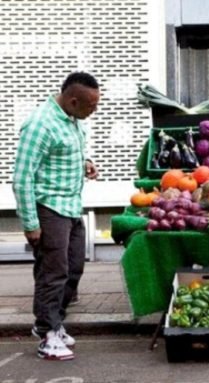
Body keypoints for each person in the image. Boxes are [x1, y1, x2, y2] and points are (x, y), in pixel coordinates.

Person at [12, 72, 100, 360]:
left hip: (71, 205)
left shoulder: (71, 118)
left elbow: (66, 153)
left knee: (73, 268)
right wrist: (30, 223)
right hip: (48, 208)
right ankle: (47, 334)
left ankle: (53, 323)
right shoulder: (40, 125)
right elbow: (22, 179)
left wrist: (85, 163)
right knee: (53, 272)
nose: (94, 110)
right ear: (73, 100)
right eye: (91, 105)